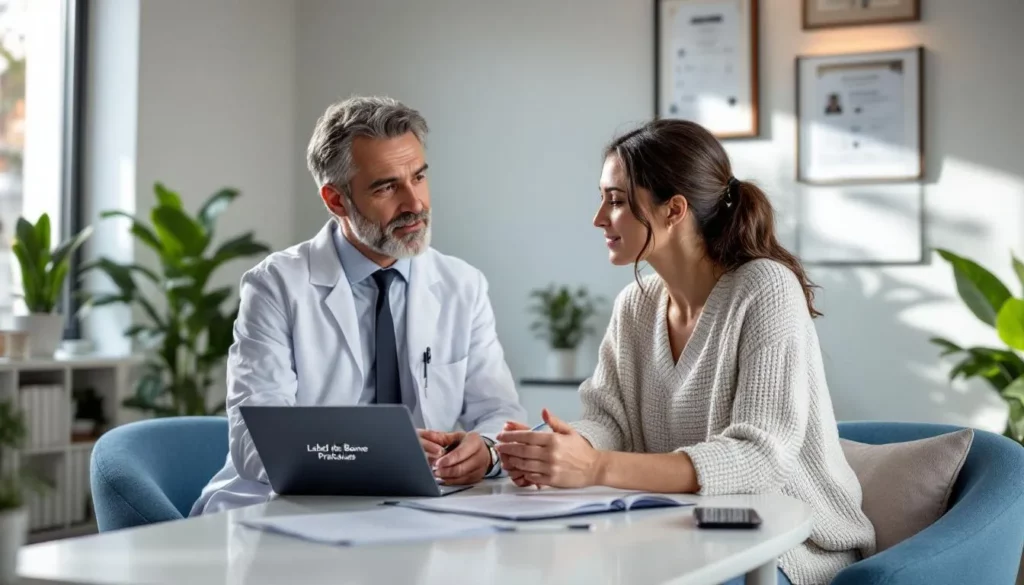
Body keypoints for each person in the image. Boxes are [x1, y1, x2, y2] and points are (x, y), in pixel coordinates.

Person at [495, 119, 875, 585]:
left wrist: (595, 466)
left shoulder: (766, 288)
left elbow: (759, 457)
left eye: (615, 200)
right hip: (681, 535)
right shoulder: (635, 304)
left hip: (791, 545)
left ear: (674, 209)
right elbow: (611, 420)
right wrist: (553, 447)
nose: (599, 218)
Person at [191, 96, 526, 515]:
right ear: (336, 201)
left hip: (419, 510)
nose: (415, 203)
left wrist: (488, 451)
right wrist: (377, 455)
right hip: (291, 508)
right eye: (387, 187)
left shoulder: (463, 285)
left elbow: (499, 412)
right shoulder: (275, 286)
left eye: (418, 177)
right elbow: (255, 441)